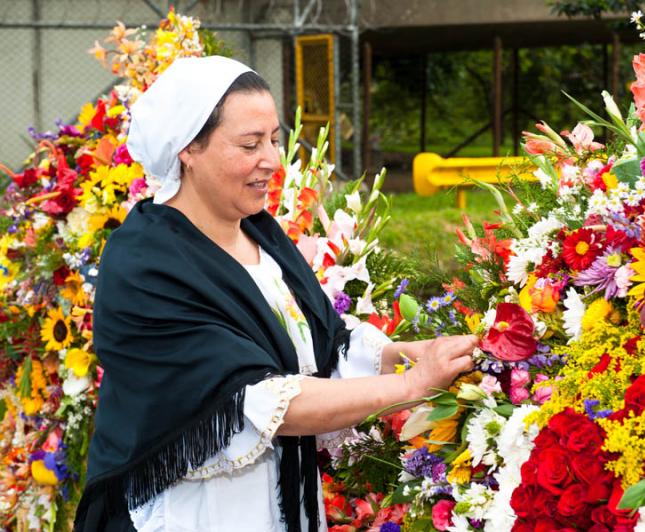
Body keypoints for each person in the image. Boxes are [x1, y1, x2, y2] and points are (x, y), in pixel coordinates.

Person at [73, 56, 477, 532]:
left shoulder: (259, 232)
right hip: (194, 510)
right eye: (249, 144)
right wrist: (409, 386)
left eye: (273, 140)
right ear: (188, 149)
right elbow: (254, 397)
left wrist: (400, 354)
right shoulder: (145, 263)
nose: (271, 159)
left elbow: (314, 335)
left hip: (278, 502)